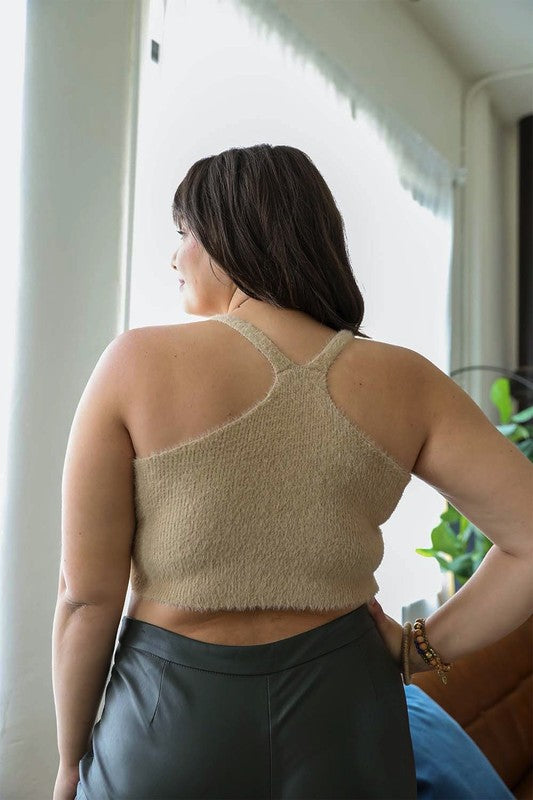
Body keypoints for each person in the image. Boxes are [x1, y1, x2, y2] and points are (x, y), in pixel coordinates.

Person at [52, 144, 533, 800]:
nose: (173, 256)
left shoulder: (135, 362)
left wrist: (71, 758)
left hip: (166, 721)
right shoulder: (405, 381)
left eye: (183, 234)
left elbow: (85, 598)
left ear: (229, 233)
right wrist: (417, 649)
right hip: (350, 717)